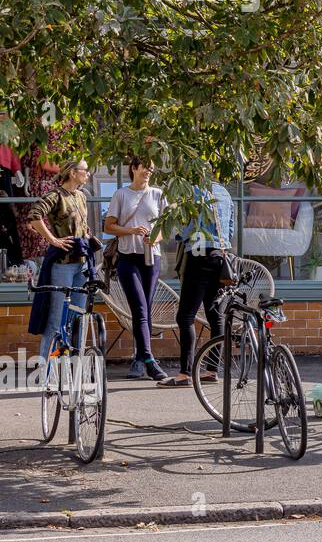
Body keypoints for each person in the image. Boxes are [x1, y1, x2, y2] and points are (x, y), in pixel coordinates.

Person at [160, 182, 236, 387]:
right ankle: (212, 370)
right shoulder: (223, 191)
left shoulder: (192, 190)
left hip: (198, 253)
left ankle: (185, 374)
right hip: (219, 255)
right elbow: (230, 228)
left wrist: (179, 236)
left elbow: (190, 228)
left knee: (185, 316)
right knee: (216, 316)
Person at [104, 159, 168, 381]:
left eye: (152, 167)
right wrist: (131, 230)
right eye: (145, 167)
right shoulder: (121, 194)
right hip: (128, 258)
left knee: (146, 308)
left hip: (151, 257)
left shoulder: (158, 194)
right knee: (140, 307)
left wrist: (155, 238)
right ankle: (149, 361)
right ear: (133, 168)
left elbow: (167, 227)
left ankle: (140, 360)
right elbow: (108, 226)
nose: (149, 170)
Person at [26, 160, 94, 363]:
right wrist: (53, 240)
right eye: (85, 170)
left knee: (77, 319)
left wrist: (89, 236)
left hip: (82, 264)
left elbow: (82, 225)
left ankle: (71, 368)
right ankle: (47, 370)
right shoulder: (56, 195)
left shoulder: (81, 196)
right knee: (56, 320)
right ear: (73, 173)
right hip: (62, 265)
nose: (88, 174)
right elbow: (34, 216)